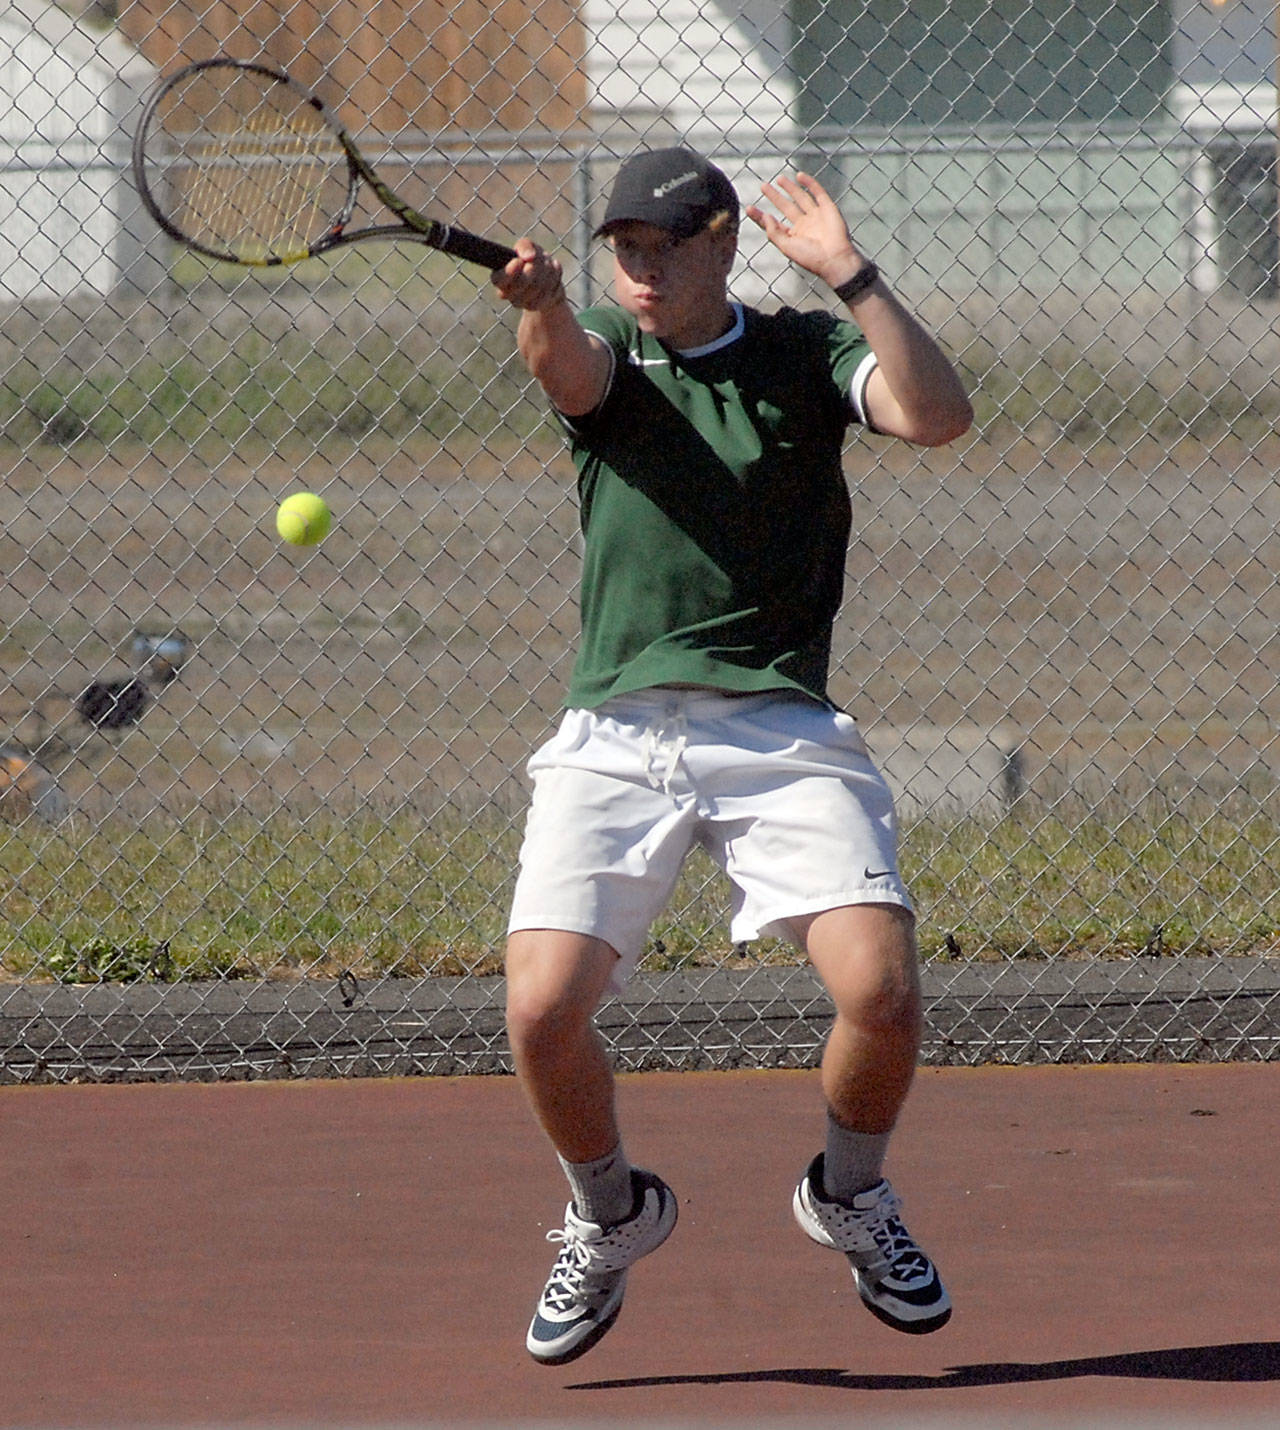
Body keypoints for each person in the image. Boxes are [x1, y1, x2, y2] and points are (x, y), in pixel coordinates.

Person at [491, 146, 973, 1367]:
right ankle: (608, 1214)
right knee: (542, 1009)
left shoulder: (804, 353)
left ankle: (849, 1194)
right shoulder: (605, 340)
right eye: (624, 250)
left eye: (664, 246)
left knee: (881, 990)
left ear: (722, 243)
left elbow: (936, 415)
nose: (640, 270)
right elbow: (567, 375)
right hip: (615, 731)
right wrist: (545, 306)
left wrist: (854, 275)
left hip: (779, 726)